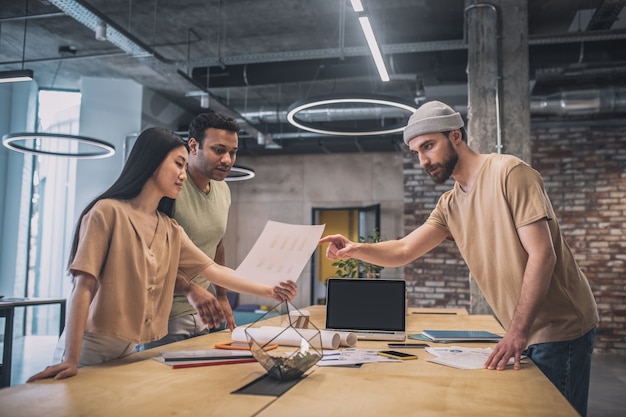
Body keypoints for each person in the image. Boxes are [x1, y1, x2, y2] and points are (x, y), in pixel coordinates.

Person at [319, 101, 598, 417]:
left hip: (559, 327)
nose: (424, 160)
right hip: (524, 329)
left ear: (455, 136)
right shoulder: (449, 204)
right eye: (417, 153)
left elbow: (542, 254)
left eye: (428, 146)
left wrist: (517, 331)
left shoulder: (509, 172)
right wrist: (355, 248)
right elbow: (404, 250)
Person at [28, 127, 297, 382]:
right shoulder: (106, 212)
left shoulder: (170, 228)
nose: (183, 174)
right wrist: (71, 358)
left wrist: (270, 290)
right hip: (88, 346)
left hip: (129, 349)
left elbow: (215, 271)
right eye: (178, 164)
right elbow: (82, 288)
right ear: (152, 162)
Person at [143, 111, 240, 349]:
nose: (227, 159)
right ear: (193, 146)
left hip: (204, 313)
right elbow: (148, 258)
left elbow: (216, 244)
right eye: (219, 150)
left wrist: (221, 296)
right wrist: (188, 288)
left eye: (233, 152)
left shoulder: (223, 191)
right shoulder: (169, 187)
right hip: (163, 315)